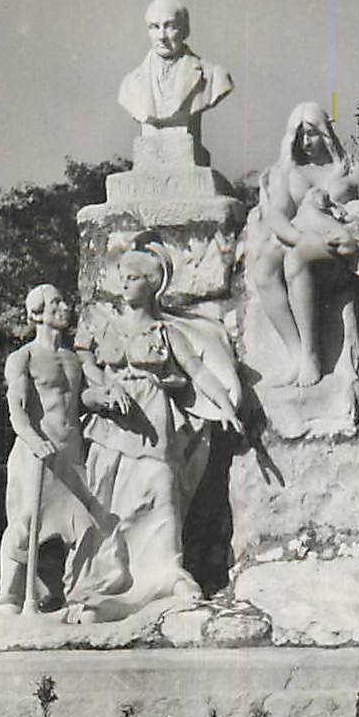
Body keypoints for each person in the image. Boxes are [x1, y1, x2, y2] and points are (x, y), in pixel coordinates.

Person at [82, 239, 243, 609]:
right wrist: (102, 388)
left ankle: (168, 575)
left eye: (135, 277)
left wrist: (226, 409)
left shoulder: (166, 333)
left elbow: (199, 371)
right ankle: (109, 576)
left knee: (161, 491)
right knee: (107, 494)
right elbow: (88, 366)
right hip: (111, 422)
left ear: (154, 284)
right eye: (123, 277)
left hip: (153, 419)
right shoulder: (107, 328)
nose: (125, 285)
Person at [0, 285, 131, 615]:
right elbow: (17, 409)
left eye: (62, 300)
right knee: (27, 524)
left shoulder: (73, 358)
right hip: (36, 453)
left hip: (71, 453)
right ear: (37, 312)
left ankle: (76, 593)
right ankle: (10, 597)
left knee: (84, 525)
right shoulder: (23, 358)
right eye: (55, 302)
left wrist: (104, 396)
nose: (63, 307)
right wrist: (32, 440)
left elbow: (83, 395)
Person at [245, 102, 359, 385]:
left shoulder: (351, 172)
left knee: (297, 259)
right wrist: (299, 237)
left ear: (325, 133)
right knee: (264, 267)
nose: (305, 142)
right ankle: (296, 352)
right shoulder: (288, 172)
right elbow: (276, 216)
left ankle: (312, 355)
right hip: (302, 238)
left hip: (338, 254)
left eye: (311, 134)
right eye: (299, 136)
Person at [116, 0, 234, 145]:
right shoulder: (130, 85)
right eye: (154, 27)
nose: (161, 36)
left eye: (169, 26)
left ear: (185, 30)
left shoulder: (214, 77)